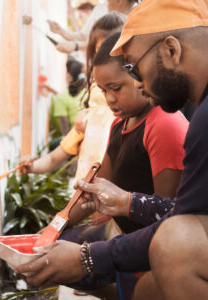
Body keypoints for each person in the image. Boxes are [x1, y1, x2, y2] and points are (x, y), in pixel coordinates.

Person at [17, 1, 208, 299]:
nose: (140, 82)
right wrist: (56, 230)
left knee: (173, 243)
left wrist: (88, 257)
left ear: (171, 50)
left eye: (132, 66)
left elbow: (178, 221)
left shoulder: (176, 122)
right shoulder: (191, 116)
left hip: (165, 240)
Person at [20, 13, 126, 175]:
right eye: (100, 52)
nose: (107, 61)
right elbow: (53, 158)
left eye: (116, 88)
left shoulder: (133, 127)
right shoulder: (87, 121)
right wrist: (31, 166)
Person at [50, 0, 138, 54]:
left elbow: (107, 45)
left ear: (120, 1)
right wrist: (61, 31)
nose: (107, 3)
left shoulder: (136, 18)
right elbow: (83, 36)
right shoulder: (100, 8)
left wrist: (76, 46)